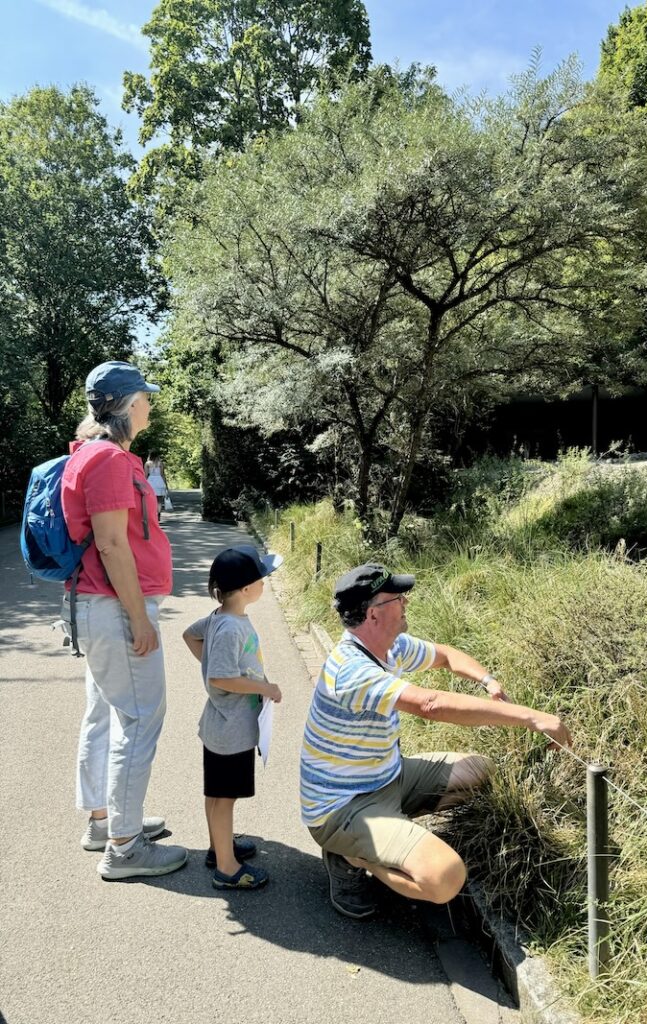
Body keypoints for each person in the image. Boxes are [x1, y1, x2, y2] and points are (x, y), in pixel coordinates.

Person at [300, 563, 573, 920]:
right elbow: (430, 705)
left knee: (481, 771)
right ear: (373, 614)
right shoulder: (351, 669)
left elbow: (445, 655)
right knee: (445, 878)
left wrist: (488, 680)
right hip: (341, 808)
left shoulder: (390, 646)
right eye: (398, 598)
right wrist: (534, 718)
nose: (406, 602)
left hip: (388, 777)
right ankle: (351, 855)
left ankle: (389, 837)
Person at [61, 360, 188, 880]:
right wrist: (140, 619)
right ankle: (126, 847)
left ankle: (103, 822)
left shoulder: (87, 453)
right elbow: (113, 544)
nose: (151, 406)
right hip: (114, 608)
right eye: (146, 398)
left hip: (92, 605)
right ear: (127, 404)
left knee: (104, 714)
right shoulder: (110, 460)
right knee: (137, 720)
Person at [183, 545, 283, 890]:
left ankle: (218, 847)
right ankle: (228, 868)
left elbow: (189, 635)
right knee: (224, 799)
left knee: (216, 794)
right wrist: (264, 687)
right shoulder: (230, 628)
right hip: (232, 729)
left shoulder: (220, 617)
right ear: (244, 588)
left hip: (221, 725)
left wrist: (212, 662)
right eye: (261, 578)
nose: (264, 583)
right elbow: (220, 679)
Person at [144, 452, 169, 521]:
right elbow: (162, 474)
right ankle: (158, 513)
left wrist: (143, 483)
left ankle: (152, 514)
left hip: (151, 481)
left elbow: (145, 475)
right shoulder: (160, 463)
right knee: (159, 500)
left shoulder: (147, 463)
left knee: (151, 499)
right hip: (159, 481)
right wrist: (166, 484)